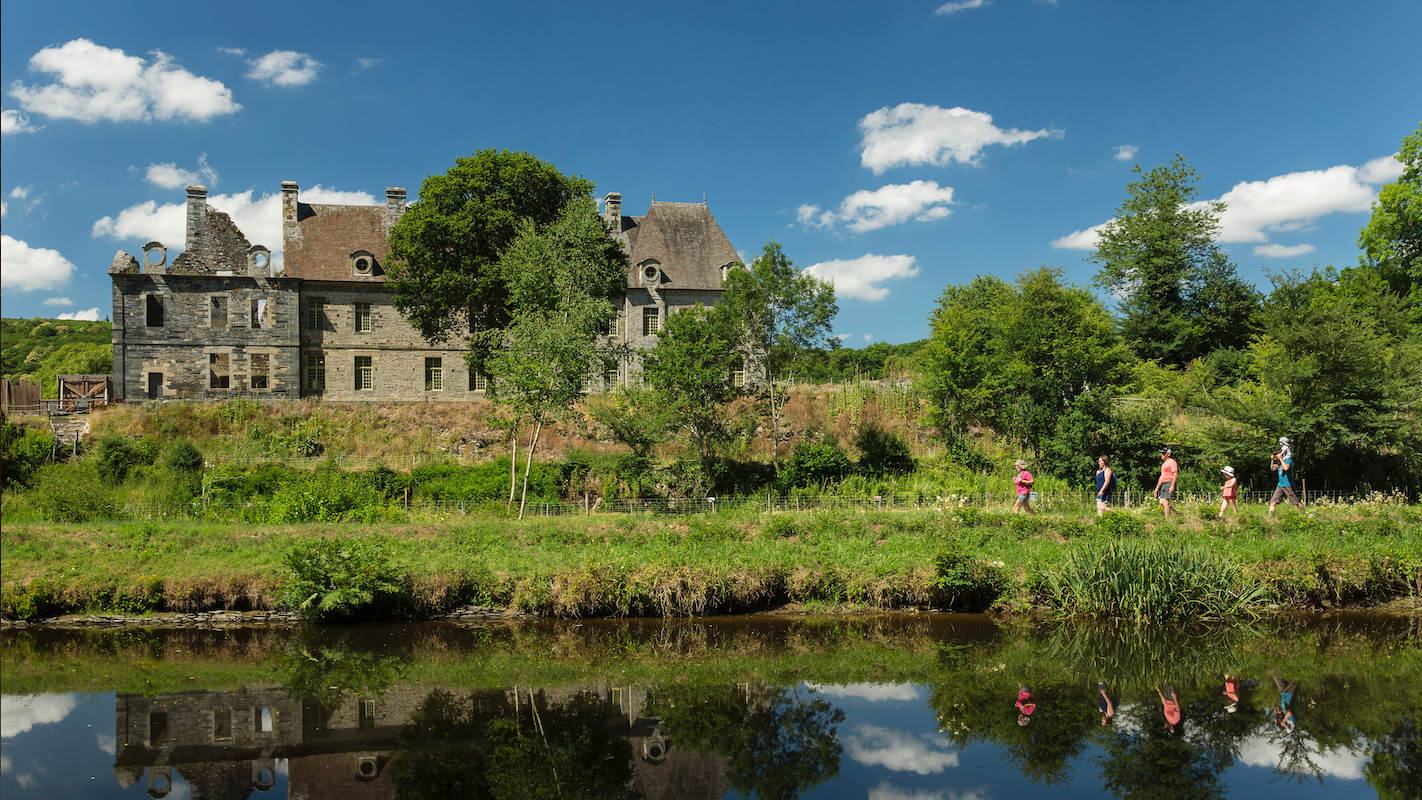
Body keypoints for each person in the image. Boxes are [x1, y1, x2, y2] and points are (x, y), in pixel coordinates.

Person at [1268, 445, 1303, 516]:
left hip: (1288, 485)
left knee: (1296, 502)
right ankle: (1270, 517)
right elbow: (1272, 469)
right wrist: (1272, 460)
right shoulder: (1279, 462)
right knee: (1273, 502)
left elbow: (1286, 468)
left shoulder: (1288, 460)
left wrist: (1281, 458)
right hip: (1280, 485)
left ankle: (1304, 513)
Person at [1152, 448, 1178, 518]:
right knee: (1161, 502)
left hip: (1169, 482)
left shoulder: (1172, 462)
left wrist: (1172, 486)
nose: (1162, 455)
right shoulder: (1163, 465)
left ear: (1168, 454)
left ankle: (1167, 521)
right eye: (1161, 453)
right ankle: (1177, 514)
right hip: (1164, 483)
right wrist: (1156, 488)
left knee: (1164, 501)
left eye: (1163, 453)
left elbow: (1175, 474)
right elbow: (1161, 477)